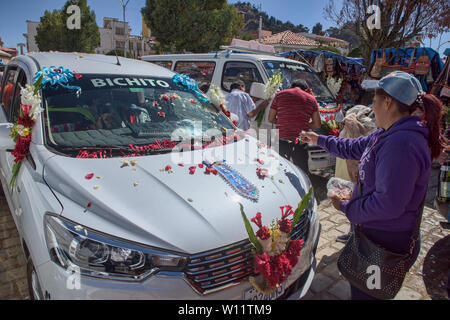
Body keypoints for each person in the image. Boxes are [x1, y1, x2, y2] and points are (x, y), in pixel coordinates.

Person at [300, 71, 444, 300]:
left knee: (368, 294)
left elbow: (389, 204)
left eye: (373, 100)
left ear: (387, 102)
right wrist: (318, 139)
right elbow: (353, 147)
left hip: (385, 241)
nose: (370, 105)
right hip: (375, 232)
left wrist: (348, 207)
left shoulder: (402, 143)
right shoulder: (388, 133)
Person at [269, 79, 321, 174]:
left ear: (291, 87)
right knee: (301, 172)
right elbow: (317, 124)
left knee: (279, 171)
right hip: (300, 142)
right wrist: (302, 124)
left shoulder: (279, 95)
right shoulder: (311, 99)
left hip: (281, 140)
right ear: (306, 90)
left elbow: (271, 118)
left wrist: (284, 122)